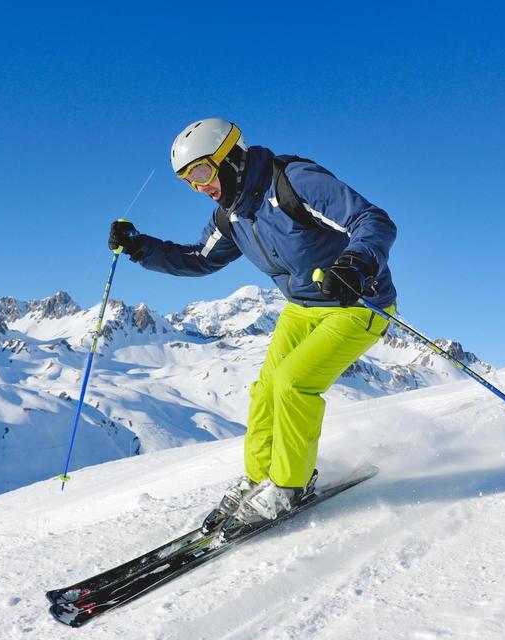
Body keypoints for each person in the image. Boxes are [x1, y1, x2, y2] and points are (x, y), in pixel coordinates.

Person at [109, 117, 398, 530]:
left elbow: (372, 220)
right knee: (265, 390)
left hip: (358, 302)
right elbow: (200, 258)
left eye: (202, 172)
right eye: (188, 181)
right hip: (302, 307)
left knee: (292, 384)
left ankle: (290, 484)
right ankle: (261, 476)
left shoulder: (295, 182)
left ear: (230, 158)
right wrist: (140, 247)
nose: (199, 186)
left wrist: (355, 263)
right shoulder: (232, 215)